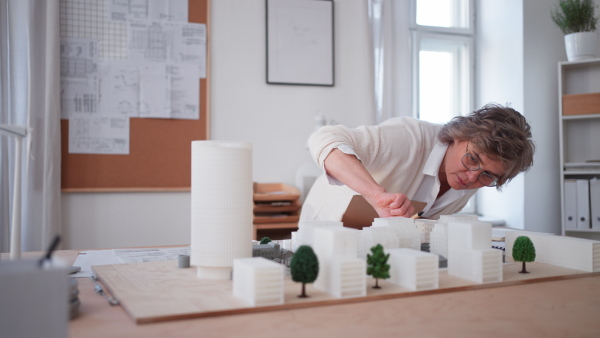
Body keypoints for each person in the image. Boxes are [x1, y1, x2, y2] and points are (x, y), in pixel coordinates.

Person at [299, 103, 535, 223]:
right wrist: (376, 195)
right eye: (473, 159)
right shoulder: (408, 137)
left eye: (488, 175)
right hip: (324, 227)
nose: (473, 177)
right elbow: (324, 138)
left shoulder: (473, 178)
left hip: (375, 247)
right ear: (459, 135)